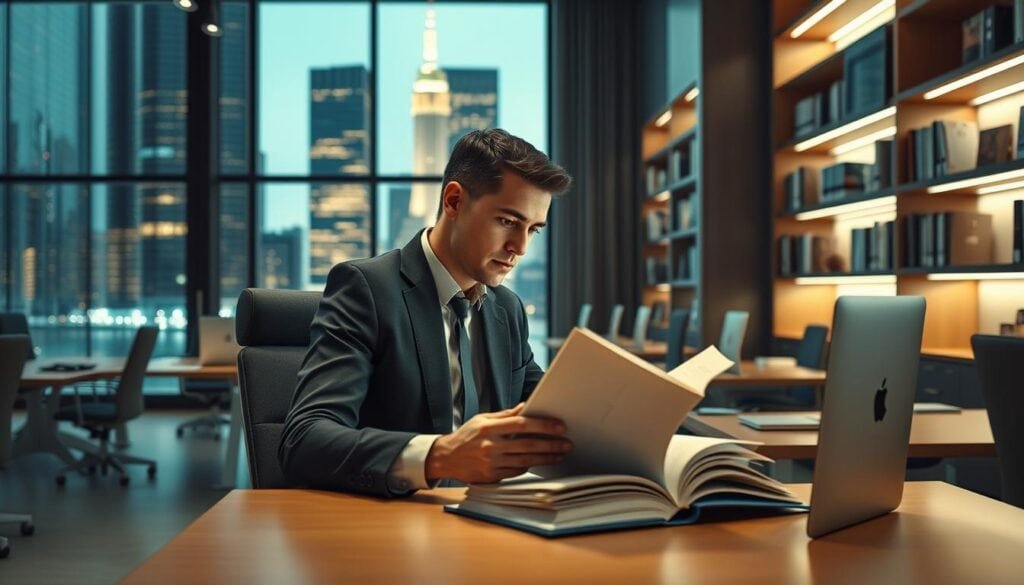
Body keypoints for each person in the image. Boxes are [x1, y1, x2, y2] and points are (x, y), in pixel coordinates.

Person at [279, 128, 574, 497]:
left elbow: (551, 412)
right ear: (453, 201)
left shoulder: (507, 310)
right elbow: (305, 440)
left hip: (494, 524)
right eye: (508, 222)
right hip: (394, 527)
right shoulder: (366, 290)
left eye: (534, 229)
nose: (520, 247)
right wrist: (440, 457)